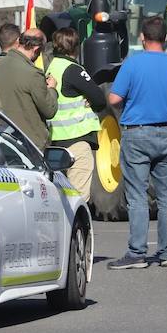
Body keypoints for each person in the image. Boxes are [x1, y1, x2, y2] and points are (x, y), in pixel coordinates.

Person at [106, 15, 167, 271]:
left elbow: (114, 99)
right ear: (166, 38)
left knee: (137, 196)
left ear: (142, 37)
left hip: (137, 134)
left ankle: (137, 253)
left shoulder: (132, 64)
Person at [45, 26, 107, 202]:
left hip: (56, 141)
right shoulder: (73, 69)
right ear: (76, 47)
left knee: (63, 198)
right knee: (78, 199)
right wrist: (90, 100)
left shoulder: (51, 68)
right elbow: (100, 99)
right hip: (76, 140)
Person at [0, 28, 58, 149]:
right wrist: (52, 89)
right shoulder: (33, 73)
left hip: (2, 140)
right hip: (30, 144)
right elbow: (49, 110)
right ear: (36, 49)